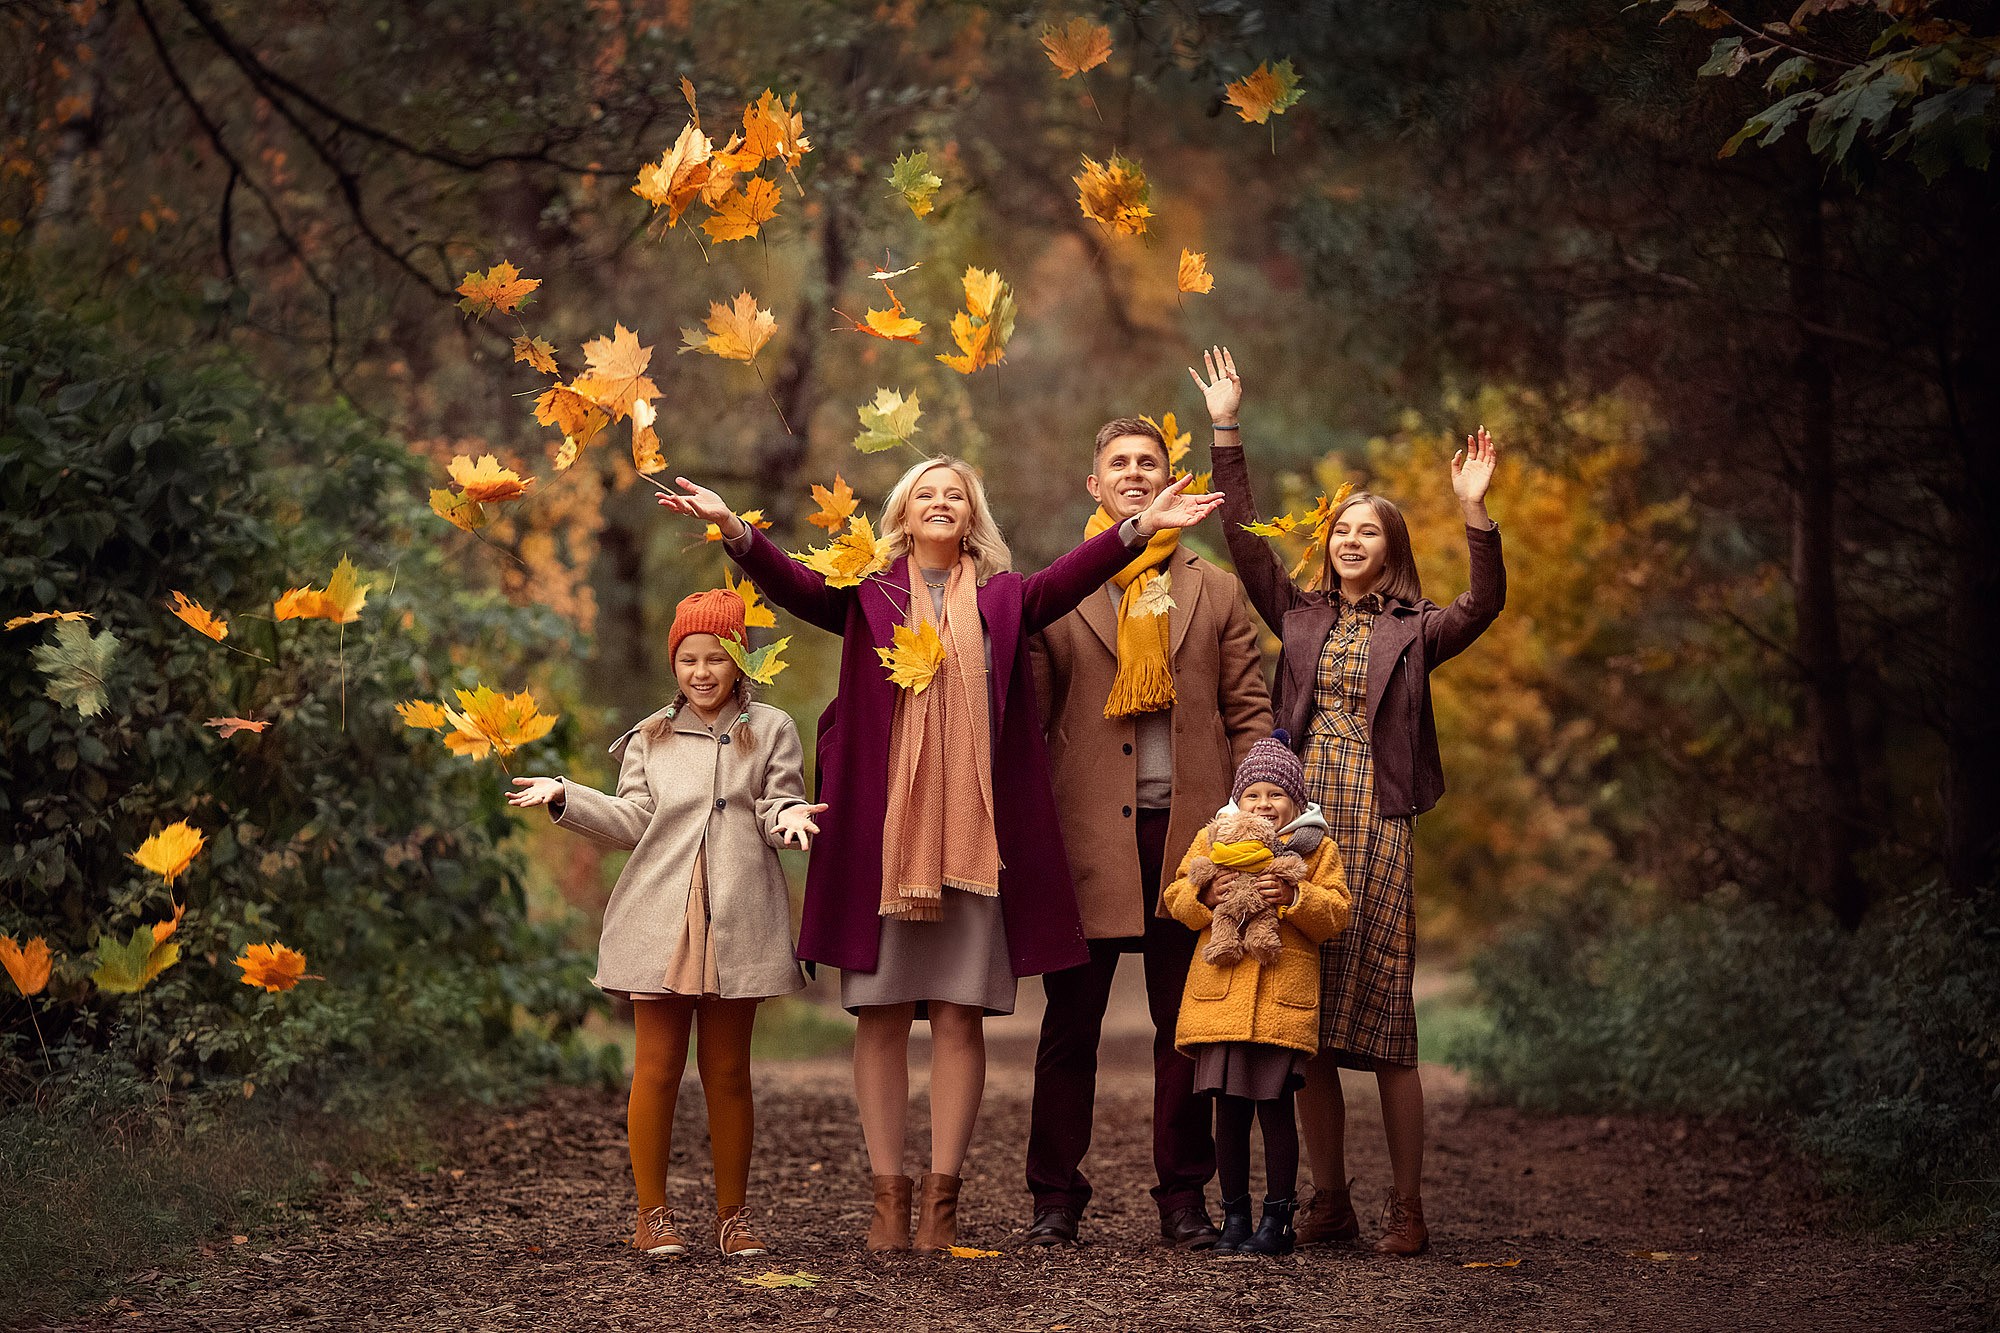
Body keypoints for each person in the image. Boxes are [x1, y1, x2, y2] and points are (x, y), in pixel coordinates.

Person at [654, 458, 1225, 1254]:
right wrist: (734, 527)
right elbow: (790, 585)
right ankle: (889, 1194)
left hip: (974, 843)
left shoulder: (1003, 596)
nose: (942, 503)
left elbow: (1072, 573)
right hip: (884, 845)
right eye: (927, 493)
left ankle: (942, 1201)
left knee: (960, 1017)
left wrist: (1142, 525)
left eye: (955, 494)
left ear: (972, 514)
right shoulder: (867, 590)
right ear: (904, 512)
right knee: (880, 1017)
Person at [1193, 345, 1506, 1256]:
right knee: (1311, 1017)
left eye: (1369, 530)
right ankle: (1331, 1199)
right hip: (1301, 820)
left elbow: (1483, 604)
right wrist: (1226, 429)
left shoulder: (1418, 629)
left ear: (1393, 547)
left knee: (1387, 1020)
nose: (1350, 539)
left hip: (1378, 821)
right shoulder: (1296, 612)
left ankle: (1409, 1205)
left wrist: (1474, 511)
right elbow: (1244, 537)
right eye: (1341, 529)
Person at [507, 589, 827, 1259]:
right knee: (655, 1068)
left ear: (741, 661)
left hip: (738, 916)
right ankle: (650, 1215)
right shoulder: (650, 736)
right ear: (673, 662)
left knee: (729, 1071)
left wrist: (791, 817)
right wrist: (568, 795)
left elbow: (778, 800)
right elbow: (630, 819)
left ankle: (733, 1217)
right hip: (660, 915)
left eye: (716, 657)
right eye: (688, 658)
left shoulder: (770, 728)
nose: (702, 671)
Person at [1023, 416, 1272, 1250]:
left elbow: (1250, 714)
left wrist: (1251, 820)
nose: (1134, 473)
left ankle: (1183, 1199)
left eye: (1149, 463)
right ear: (1094, 486)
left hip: (1193, 842)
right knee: (1069, 1029)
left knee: (1186, 1028)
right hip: (1085, 837)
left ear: (1172, 479)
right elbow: (1027, 714)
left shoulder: (1219, 590)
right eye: (1119, 465)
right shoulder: (1058, 590)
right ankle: (1055, 1199)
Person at [1162, 733, 1351, 1256]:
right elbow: (1176, 894)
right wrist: (1205, 894)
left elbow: (1336, 912)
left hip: (1277, 1008)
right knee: (1230, 1114)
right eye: (1254, 795)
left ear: (1296, 801)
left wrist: (1296, 896)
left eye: (1276, 796)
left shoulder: (1315, 849)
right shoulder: (1212, 840)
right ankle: (1235, 1216)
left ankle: (1279, 1217)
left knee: (1275, 1112)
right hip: (1220, 1004)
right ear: (1238, 800)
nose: (1264, 805)